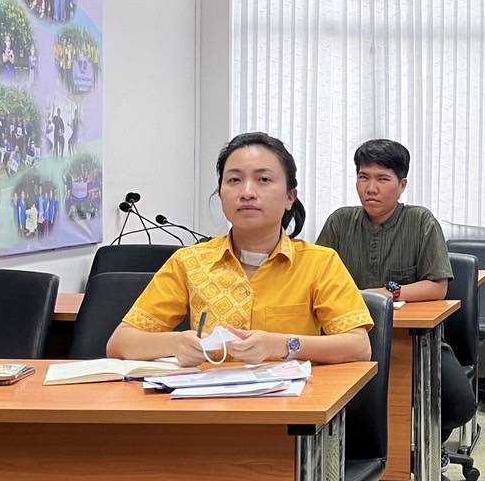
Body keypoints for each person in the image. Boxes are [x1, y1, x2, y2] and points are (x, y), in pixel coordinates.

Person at [109, 131, 372, 369]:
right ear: (221, 192)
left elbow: (358, 346)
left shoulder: (320, 262)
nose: (247, 192)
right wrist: (175, 344)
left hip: (288, 409)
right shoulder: (189, 262)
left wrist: (280, 346)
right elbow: (121, 343)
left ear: (290, 197)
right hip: (206, 407)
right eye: (234, 180)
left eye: (264, 179)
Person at [316, 138, 478, 438]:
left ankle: (427, 448)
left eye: (382, 179)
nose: (370, 188)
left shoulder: (420, 222)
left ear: (401, 184)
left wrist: (388, 294)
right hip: (348, 339)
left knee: (458, 402)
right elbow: (313, 282)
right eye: (363, 177)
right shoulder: (340, 222)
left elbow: (436, 287)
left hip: (415, 340)